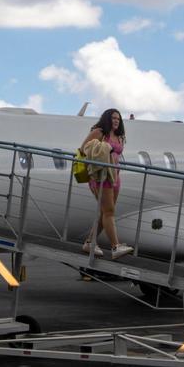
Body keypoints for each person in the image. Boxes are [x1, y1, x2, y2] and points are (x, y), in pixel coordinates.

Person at [80, 108, 134, 260]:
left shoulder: (120, 136)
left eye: (118, 118)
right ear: (107, 119)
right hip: (101, 176)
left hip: (115, 176)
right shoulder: (99, 132)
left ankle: (90, 242)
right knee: (109, 212)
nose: (116, 120)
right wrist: (103, 148)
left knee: (106, 212)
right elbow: (83, 149)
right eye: (113, 118)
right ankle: (115, 246)